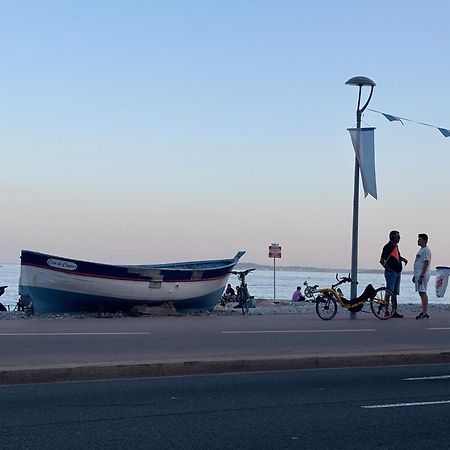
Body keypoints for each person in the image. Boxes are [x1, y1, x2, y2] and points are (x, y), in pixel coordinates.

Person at [380, 230, 408, 318]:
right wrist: (389, 269)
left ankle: (394, 311)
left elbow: (396, 257)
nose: (399, 238)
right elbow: (381, 261)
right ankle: (386, 311)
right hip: (391, 273)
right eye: (397, 236)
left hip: (398, 272)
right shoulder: (387, 247)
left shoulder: (396, 246)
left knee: (395, 293)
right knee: (389, 292)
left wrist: (402, 259)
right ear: (393, 237)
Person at [412, 233, 432, 319]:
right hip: (418, 274)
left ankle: (425, 312)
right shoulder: (421, 250)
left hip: (422, 274)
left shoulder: (426, 250)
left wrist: (421, 276)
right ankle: (423, 311)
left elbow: (426, 263)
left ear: (424, 240)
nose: (418, 240)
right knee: (421, 293)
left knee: (423, 292)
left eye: (419, 239)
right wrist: (415, 275)